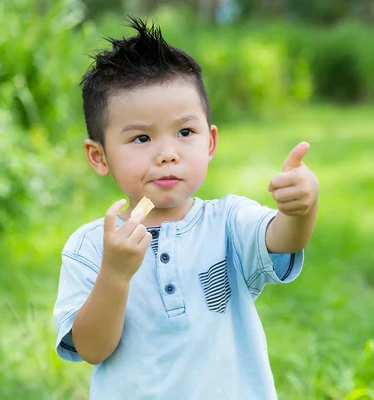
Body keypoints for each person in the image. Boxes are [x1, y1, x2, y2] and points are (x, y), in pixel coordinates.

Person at [53, 16, 319, 399]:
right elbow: (93, 349)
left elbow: (284, 238)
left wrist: (300, 209)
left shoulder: (228, 222)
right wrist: (114, 273)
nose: (167, 155)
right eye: (142, 137)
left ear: (209, 142)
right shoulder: (91, 248)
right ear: (99, 156)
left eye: (184, 132)